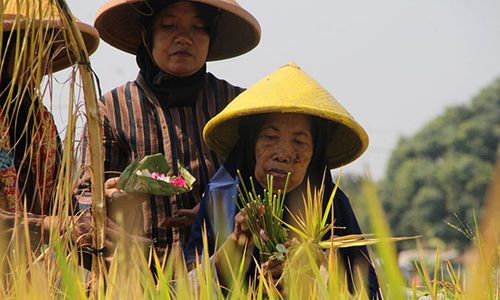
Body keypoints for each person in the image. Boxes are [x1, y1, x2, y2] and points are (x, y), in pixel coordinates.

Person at [75, 0, 261, 259]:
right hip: (138, 271)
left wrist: (215, 209)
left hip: (223, 272)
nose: (184, 38)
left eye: (198, 27)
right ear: (147, 34)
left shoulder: (238, 107)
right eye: (168, 25)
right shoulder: (110, 109)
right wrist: (111, 199)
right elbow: (82, 197)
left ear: (211, 36)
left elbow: (269, 184)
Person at [184, 63, 380, 298]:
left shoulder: (332, 207)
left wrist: (311, 279)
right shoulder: (222, 199)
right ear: (250, 145)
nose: (283, 153)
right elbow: (181, 291)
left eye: (299, 142)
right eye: (269, 137)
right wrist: (235, 247)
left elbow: (367, 292)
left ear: (315, 153)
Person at [0, 0, 100, 251]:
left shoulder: (39, 122)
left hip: (30, 271)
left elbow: (60, 205)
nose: (45, 58)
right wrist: (48, 225)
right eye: (33, 47)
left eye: (47, 47)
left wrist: (101, 199)